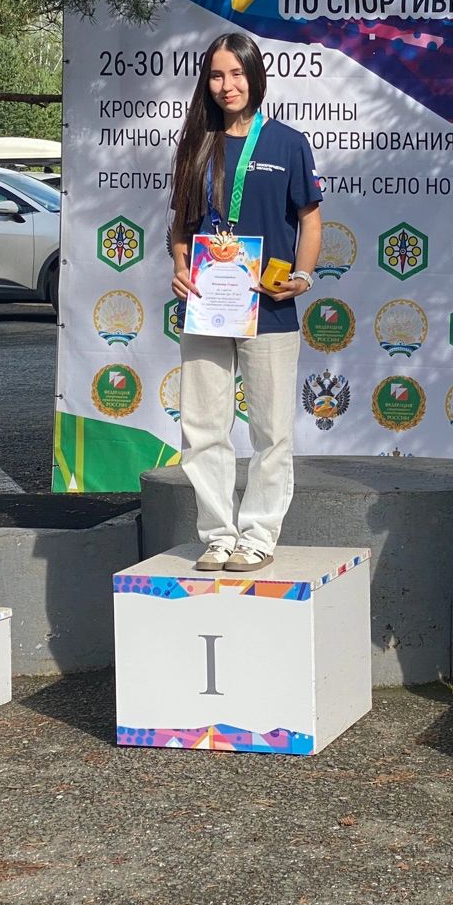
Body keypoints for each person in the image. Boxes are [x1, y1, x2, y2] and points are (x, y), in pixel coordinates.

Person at [169, 33, 322, 570]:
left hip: (269, 305)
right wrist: (180, 266)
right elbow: (181, 225)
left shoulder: (287, 143)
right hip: (206, 304)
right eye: (216, 75)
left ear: (255, 76)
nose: (227, 85)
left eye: (236, 74)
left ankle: (257, 534)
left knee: (271, 431)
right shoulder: (196, 142)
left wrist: (302, 277)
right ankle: (217, 534)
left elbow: (309, 220)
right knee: (203, 427)